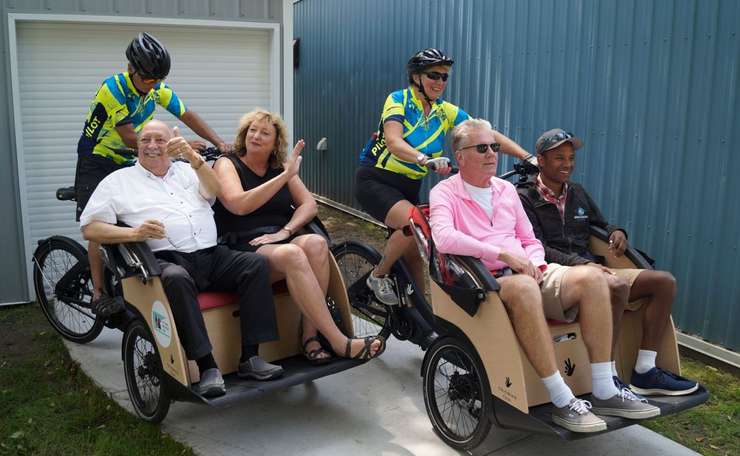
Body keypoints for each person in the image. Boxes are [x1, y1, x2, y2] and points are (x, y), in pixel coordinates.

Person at [429, 119, 660, 433]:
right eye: (482, 148)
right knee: (524, 286)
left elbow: (530, 239)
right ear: (460, 157)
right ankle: (562, 399)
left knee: (593, 279)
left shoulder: (506, 190)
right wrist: (503, 255)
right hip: (485, 279)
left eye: (494, 147)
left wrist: (536, 264)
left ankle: (605, 389)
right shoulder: (445, 192)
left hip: (529, 271)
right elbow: (443, 238)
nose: (491, 154)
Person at [80, 120, 281, 399]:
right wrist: (134, 232)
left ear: (171, 144)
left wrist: (193, 157)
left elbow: (213, 191)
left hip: (211, 254)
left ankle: (250, 358)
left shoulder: (187, 170)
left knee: (255, 264)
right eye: (145, 140)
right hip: (165, 259)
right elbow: (90, 228)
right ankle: (207, 366)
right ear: (136, 145)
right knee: (175, 277)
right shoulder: (118, 182)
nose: (152, 146)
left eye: (160, 140)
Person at [355, 48, 531, 345]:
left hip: (408, 187)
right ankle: (377, 276)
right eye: (433, 75)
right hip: (376, 180)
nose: (440, 81)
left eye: (444, 77)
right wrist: (425, 160)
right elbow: (394, 141)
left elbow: (486, 133)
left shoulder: (444, 111)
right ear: (416, 77)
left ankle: (424, 325)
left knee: (418, 256)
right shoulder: (398, 100)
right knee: (414, 223)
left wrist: (528, 156)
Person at [517, 128, 699, 396]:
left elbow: (598, 225)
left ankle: (645, 370)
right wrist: (581, 264)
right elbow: (535, 246)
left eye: (570, 158)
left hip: (594, 267)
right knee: (612, 285)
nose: (567, 164)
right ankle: (608, 374)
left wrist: (617, 232)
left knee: (663, 282)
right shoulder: (524, 197)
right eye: (559, 158)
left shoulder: (577, 192)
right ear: (541, 160)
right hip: (561, 274)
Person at [75, 32, 232, 317]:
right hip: (97, 159)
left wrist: (219, 142)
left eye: (157, 81)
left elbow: (187, 115)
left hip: (128, 156)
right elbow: (131, 140)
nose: (153, 86)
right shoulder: (113, 90)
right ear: (131, 69)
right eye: (148, 80)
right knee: (98, 225)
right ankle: (99, 294)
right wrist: (173, 149)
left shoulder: (155, 85)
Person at [212, 109, 385, 362]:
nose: (256, 136)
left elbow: (309, 205)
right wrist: (285, 177)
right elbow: (238, 204)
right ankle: (339, 341)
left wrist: (286, 230)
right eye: (252, 130)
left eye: (264, 133)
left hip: (278, 239)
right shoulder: (228, 163)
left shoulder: (281, 167)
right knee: (293, 254)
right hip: (242, 245)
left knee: (316, 244)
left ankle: (309, 336)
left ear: (275, 143)